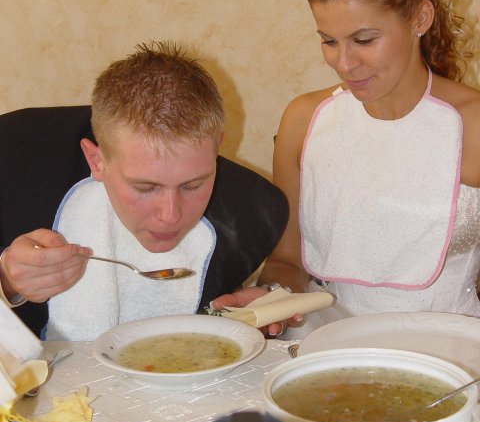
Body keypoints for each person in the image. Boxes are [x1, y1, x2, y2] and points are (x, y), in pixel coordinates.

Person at [214, 0, 480, 330]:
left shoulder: (471, 125)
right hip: (327, 346)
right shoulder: (305, 121)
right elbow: (287, 263)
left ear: (420, 18)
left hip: (448, 350)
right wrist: (270, 298)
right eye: (328, 41)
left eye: (364, 40)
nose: (344, 63)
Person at [0, 41, 288, 340]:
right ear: (96, 161)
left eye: (193, 185)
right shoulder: (12, 164)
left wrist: (250, 308)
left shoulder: (253, 211)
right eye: (145, 187)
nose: (170, 215)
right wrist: (6, 282)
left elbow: (215, 303)